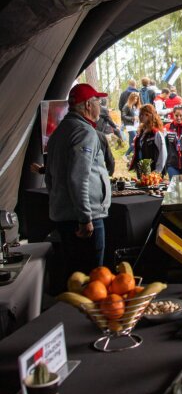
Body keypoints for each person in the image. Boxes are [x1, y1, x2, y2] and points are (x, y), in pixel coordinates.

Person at [45, 83, 111, 276]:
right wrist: (85, 217)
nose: (101, 106)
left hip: (65, 216)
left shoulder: (58, 132)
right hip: (83, 219)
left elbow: (49, 176)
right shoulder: (84, 132)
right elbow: (78, 177)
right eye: (98, 101)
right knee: (93, 280)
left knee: (74, 278)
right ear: (88, 105)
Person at [128, 104, 167, 174]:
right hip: (142, 170)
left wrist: (157, 171)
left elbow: (163, 153)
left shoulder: (156, 133)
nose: (141, 116)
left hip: (154, 172)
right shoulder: (141, 132)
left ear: (151, 115)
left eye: (144, 114)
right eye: (140, 114)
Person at [164, 106, 182, 177]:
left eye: (180, 115)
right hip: (172, 163)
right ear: (173, 115)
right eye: (176, 115)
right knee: (175, 186)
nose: (178, 118)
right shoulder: (167, 127)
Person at [121, 92, 141, 160]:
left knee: (132, 142)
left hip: (136, 126)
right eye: (134, 99)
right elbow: (123, 116)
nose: (135, 101)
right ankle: (126, 155)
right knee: (136, 140)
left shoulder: (135, 106)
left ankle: (132, 156)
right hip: (130, 126)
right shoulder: (127, 106)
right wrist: (132, 118)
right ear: (131, 99)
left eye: (137, 99)